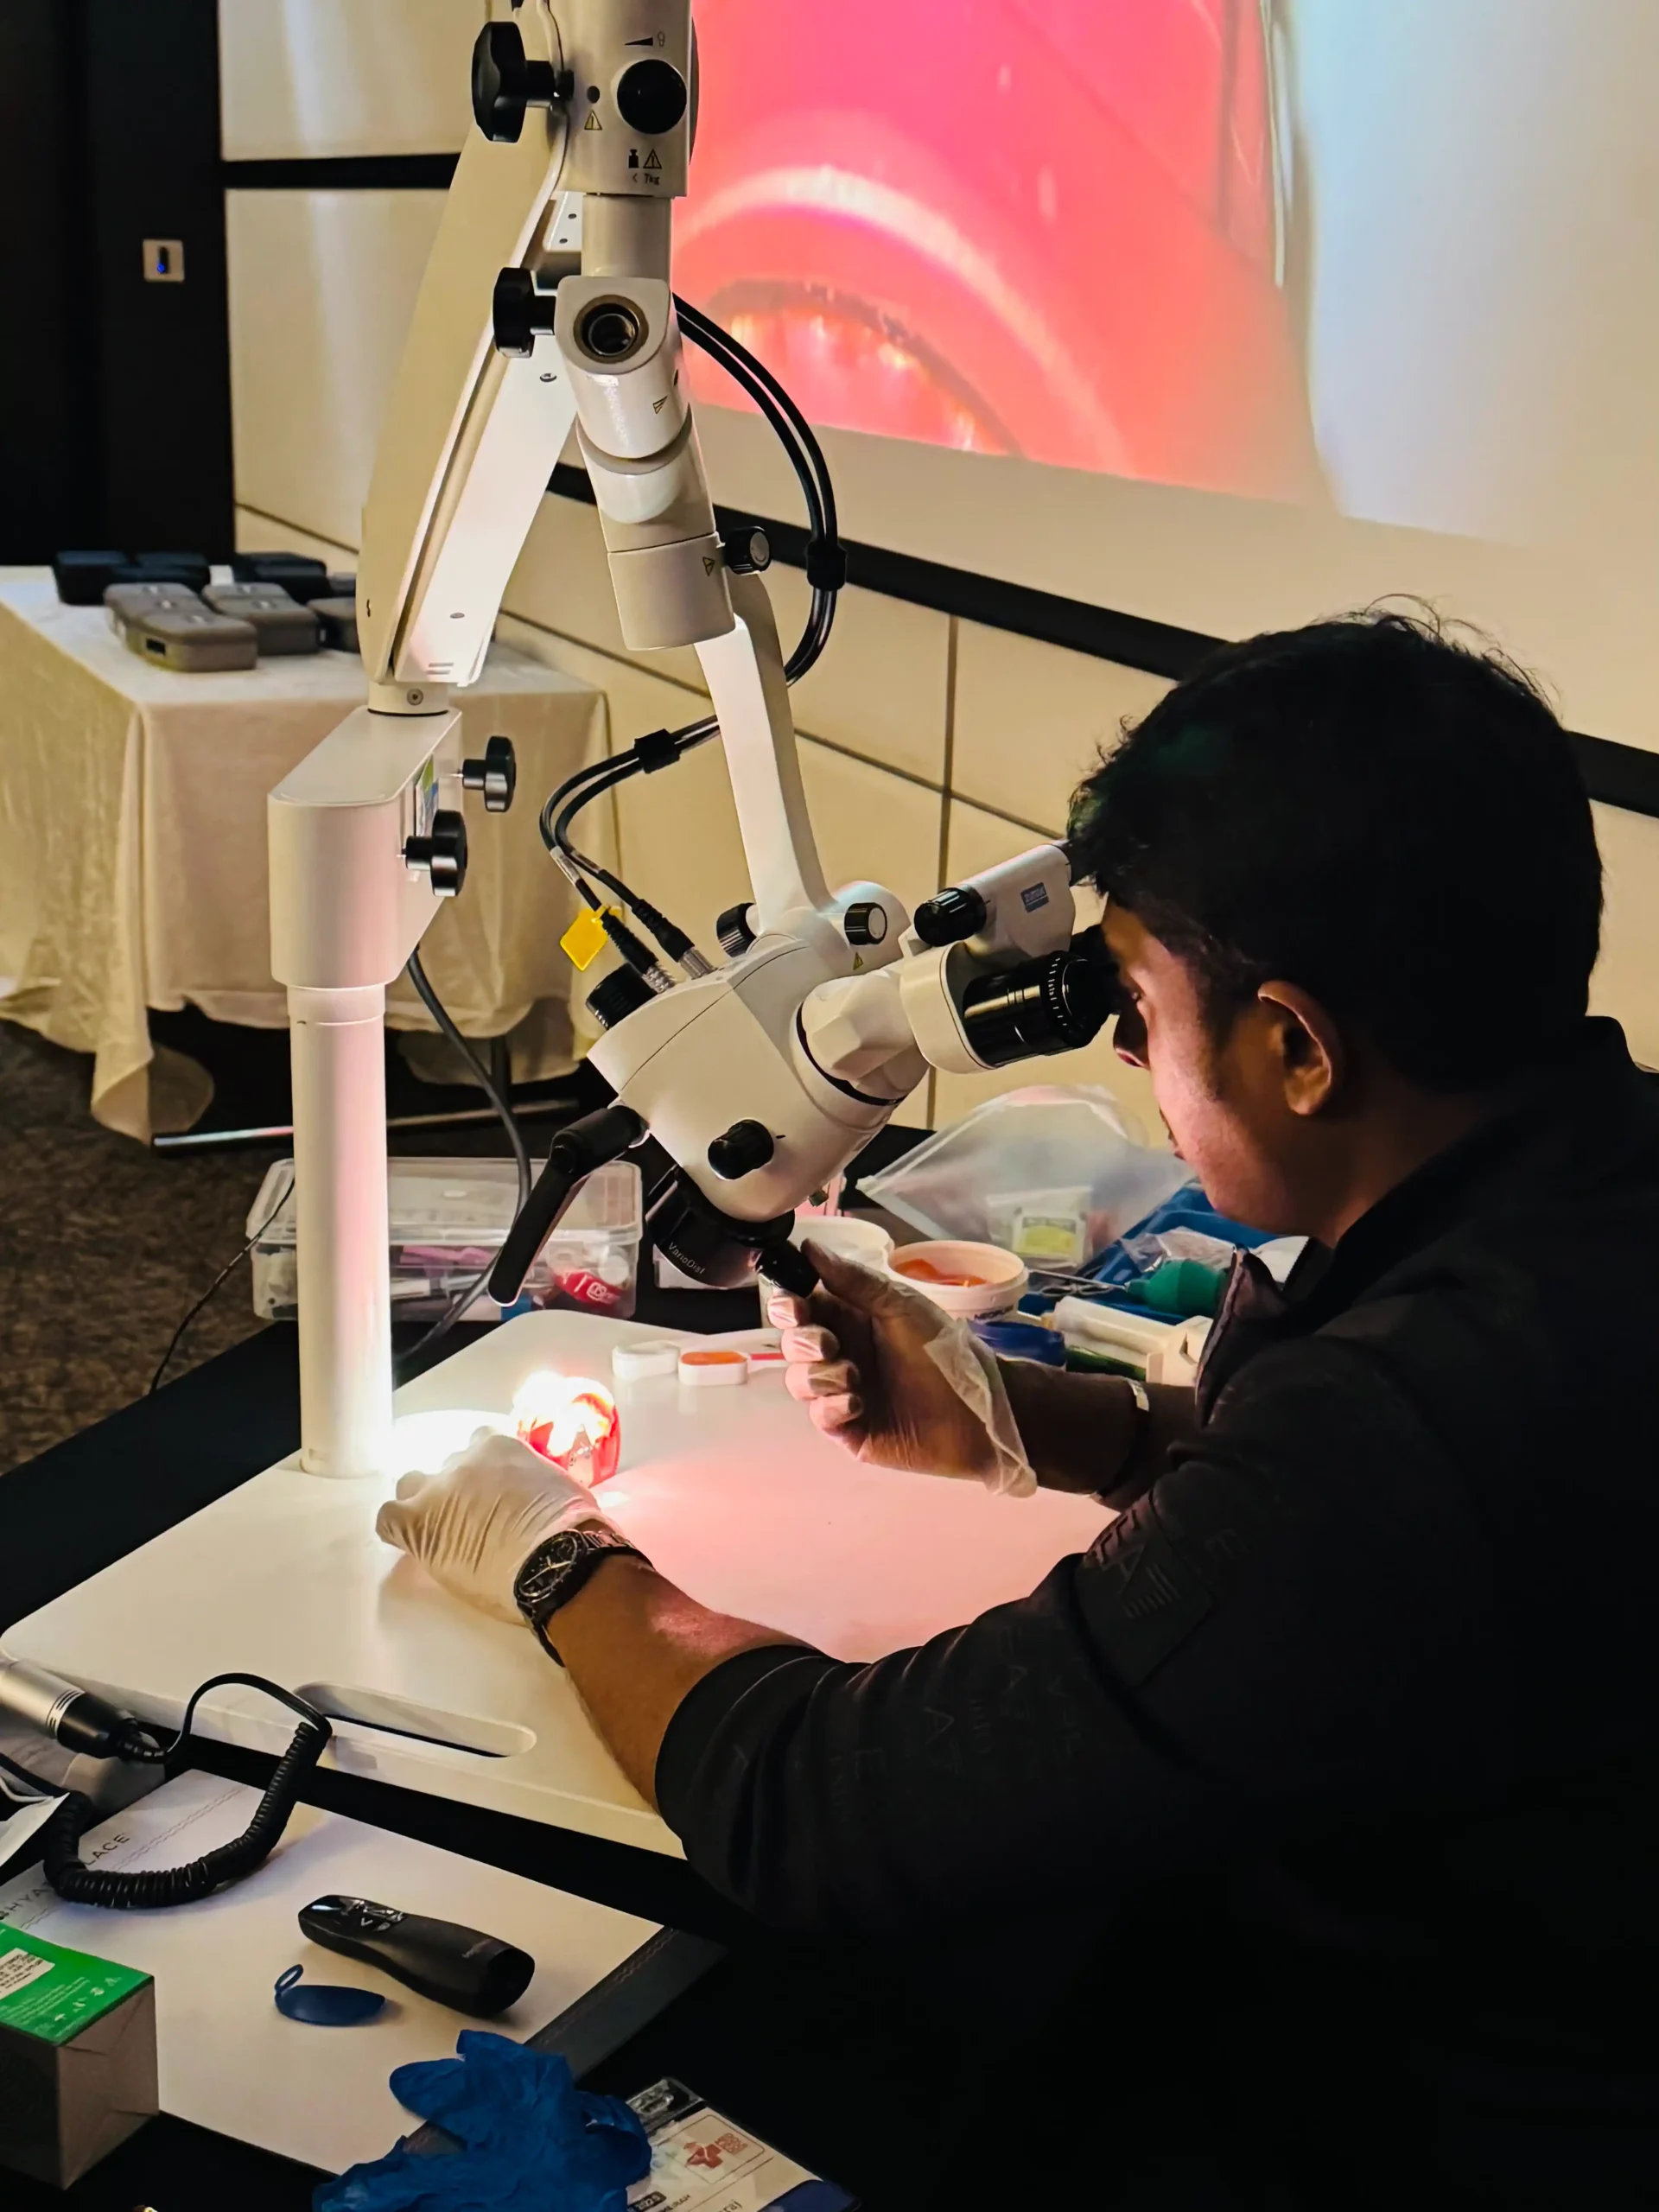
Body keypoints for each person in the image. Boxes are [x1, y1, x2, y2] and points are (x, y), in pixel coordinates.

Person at [378, 610, 1659, 2207]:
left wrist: (554, 1554)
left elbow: (816, 1807)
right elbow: (1446, 1547)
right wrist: (1041, 1423)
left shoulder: (1390, 1446)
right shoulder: (1590, 1187)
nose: (1121, 1045)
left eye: (1140, 1002)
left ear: (1295, 1047)